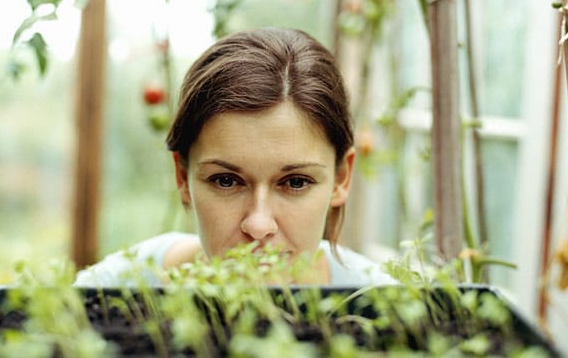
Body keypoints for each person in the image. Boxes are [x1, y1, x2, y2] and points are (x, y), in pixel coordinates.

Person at [74, 27, 395, 287]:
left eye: (296, 182)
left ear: (341, 179)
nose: (258, 224)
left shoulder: (388, 310)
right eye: (226, 181)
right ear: (182, 177)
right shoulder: (110, 294)